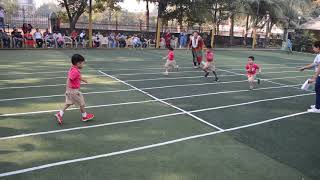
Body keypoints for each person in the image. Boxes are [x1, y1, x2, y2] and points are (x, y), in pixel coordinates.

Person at [55, 54, 94, 125]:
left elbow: (77, 77)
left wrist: (84, 80)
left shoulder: (73, 68)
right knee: (81, 103)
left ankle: (59, 114)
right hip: (73, 91)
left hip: (71, 90)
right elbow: (70, 78)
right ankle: (84, 116)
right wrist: (70, 89)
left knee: (68, 103)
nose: (83, 65)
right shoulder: (75, 71)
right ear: (78, 63)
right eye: (82, 63)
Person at [299, 41, 320, 113]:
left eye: (314, 47)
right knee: (318, 90)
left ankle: (318, 108)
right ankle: (318, 105)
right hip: (319, 76)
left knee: (318, 90)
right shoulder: (318, 55)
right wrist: (304, 67)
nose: (313, 49)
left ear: (318, 47)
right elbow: (314, 64)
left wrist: (314, 78)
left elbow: (319, 67)